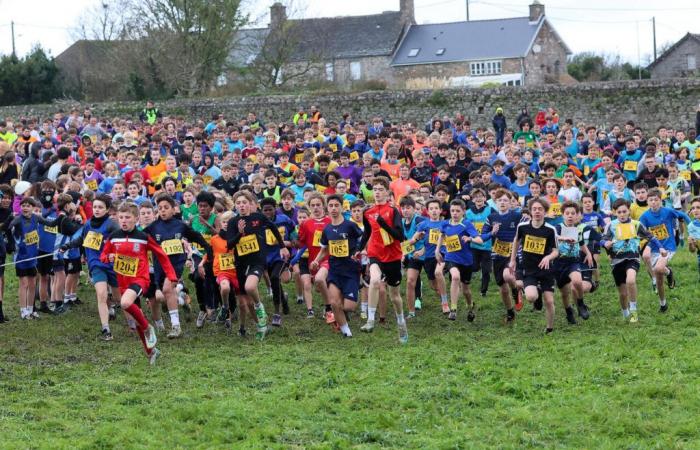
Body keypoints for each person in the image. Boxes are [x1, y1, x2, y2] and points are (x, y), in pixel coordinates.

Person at [100, 202, 178, 364]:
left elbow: (161, 255)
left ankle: (149, 328)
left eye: (128, 217)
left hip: (140, 279)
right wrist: (109, 257)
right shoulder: (114, 236)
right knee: (136, 319)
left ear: (136, 219)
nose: (123, 220)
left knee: (125, 303)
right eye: (121, 217)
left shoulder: (143, 237)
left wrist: (171, 275)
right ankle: (151, 351)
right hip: (123, 281)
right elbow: (104, 255)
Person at [224, 191, 289, 340]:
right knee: (246, 302)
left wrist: (282, 246)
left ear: (250, 204)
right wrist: (240, 233)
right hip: (240, 263)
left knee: (250, 287)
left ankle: (260, 308)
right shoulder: (234, 222)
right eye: (238, 203)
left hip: (257, 261)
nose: (241, 205)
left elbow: (273, 228)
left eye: (244, 202)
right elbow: (229, 244)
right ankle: (261, 325)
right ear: (235, 205)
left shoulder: (258, 218)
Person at [145, 193, 212, 337]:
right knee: (162, 297)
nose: (162, 210)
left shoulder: (181, 225)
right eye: (160, 208)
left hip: (176, 264)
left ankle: (176, 326)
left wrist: (208, 248)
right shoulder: (153, 227)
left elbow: (196, 236)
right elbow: (138, 238)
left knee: (167, 289)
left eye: (166, 207)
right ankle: (180, 298)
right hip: (159, 265)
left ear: (174, 209)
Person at [60, 194, 119, 340]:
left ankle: (115, 305)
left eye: (100, 207)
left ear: (107, 209)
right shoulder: (88, 224)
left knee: (120, 299)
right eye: (95, 207)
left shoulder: (112, 224)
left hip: (112, 265)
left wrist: (111, 244)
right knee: (101, 294)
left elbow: (121, 240)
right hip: (96, 263)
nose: (97, 210)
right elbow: (81, 239)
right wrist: (67, 246)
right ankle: (106, 329)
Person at [357, 176, 408, 344]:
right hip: (375, 253)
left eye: (381, 190)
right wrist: (359, 249)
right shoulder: (368, 212)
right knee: (375, 280)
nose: (377, 193)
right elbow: (367, 233)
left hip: (392, 256)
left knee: (394, 296)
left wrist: (384, 225)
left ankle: (401, 321)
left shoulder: (393, 211)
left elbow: (400, 237)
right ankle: (370, 320)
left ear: (387, 192)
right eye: (375, 189)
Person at [601, 199, 663, 323]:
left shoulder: (636, 224)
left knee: (631, 280)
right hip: (616, 260)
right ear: (615, 213)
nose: (622, 214)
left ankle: (634, 310)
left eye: (624, 211)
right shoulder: (611, 225)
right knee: (623, 294)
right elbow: (602, 240)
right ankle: (625, 312)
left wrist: (661, 247)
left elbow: (650, 236)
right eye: (619, 212)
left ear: (629, 211)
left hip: (632, 257)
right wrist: (605, 243)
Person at [310, 194, 363, 337]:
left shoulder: (350, 226)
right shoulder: (326, 230)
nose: (333, 208)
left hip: (351, 270)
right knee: (334, 303)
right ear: (327, 208)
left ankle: (351, 300)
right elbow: (324, 249)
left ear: (341, 207)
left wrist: (361, 252)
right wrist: (316, 261)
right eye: (331, 206)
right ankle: (346, 332)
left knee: (348, 307)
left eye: (336, 205)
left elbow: (363, 239)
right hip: (335, 269)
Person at [510, 198, 559, 333]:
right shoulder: (523, 227)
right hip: (529, 268)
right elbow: (516, 241)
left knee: (549, 301)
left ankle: (549, 328)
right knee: (531, 297)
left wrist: (548, 257)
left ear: (545, 211)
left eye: (540, 209)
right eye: (534, 209)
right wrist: (513, 260)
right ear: (530, 211)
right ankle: (536, 293)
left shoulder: (550, 230)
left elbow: (556, 251)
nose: (537, 212)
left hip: (545, 270)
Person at [639, 188, 691, 312]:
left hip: (668, 245)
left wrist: (692, 226)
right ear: (647, 202)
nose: (653, 202)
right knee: (646, 257)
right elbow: (640, 231)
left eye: (656, 200)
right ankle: (664, 276)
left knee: (658, 270)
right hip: (653, 245)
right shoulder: (644, 216)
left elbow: (682, 215)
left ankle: (663, 304)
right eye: (651, 200)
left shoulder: (667, 211)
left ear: (660, 201)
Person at [435, 199, 483, 321]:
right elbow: (442, 235)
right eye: (452, 211)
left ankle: (470, 306)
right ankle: (454, 309)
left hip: (466, 261)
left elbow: (480, 240)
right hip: (451, 257)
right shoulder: (445, 224)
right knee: (455, 277)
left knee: (466, 290)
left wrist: (470, 239)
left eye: (457, 211)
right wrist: (437, 250)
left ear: (463, 212)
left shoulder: (466, 224)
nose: (455, 213)